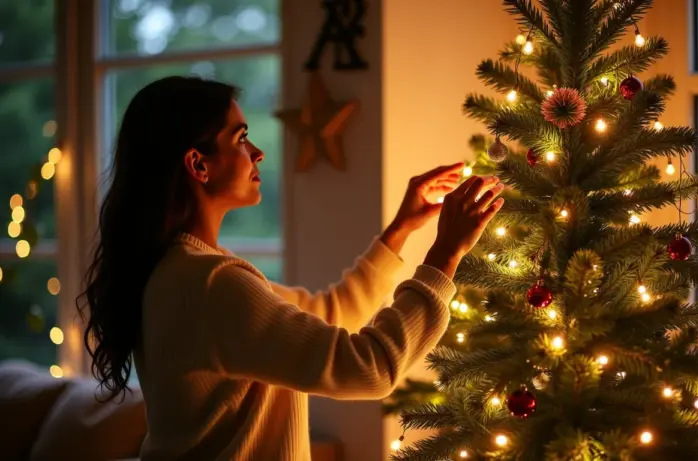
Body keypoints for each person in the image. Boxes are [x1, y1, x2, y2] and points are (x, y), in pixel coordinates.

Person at [78, 76, 505, 461]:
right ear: (198, 165)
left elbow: (328, 313)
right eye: (241, 138)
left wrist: (399, 231)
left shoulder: (184, 273)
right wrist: (446, 254)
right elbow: (370, 368)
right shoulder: (212, 284)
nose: (257, 152)